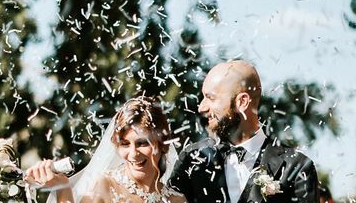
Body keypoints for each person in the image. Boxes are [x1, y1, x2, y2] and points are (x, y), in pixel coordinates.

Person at [169, 60, 319, 203]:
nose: (201, 108)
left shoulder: (297, 167)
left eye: (211, 98)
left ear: (242, 102)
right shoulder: (192, 159)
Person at [26, 97, 186, 203]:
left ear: (162, 143)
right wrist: (62, 187)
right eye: (125, 144)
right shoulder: (104, 185)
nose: (133, 153)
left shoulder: (178, 200)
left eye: (142, 143)